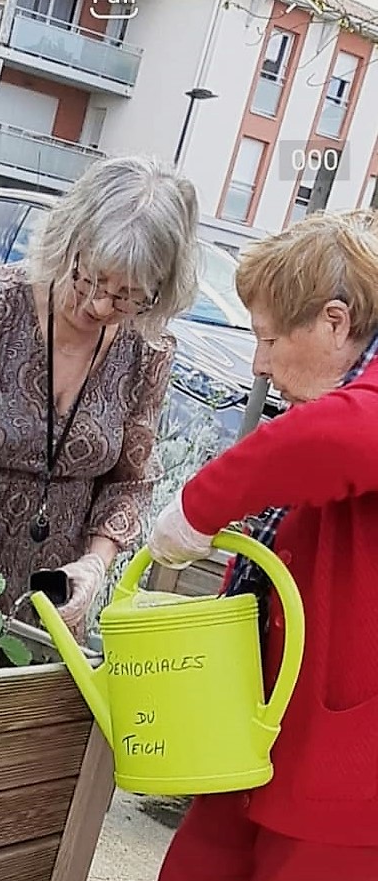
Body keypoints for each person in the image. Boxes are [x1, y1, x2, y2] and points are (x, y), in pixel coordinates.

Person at [0, 155, 199, 645]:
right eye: (90, 278)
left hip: (47, 612)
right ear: (68, 244)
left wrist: (95, 564)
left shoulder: (146, 349)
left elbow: (130, 482)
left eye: (128, 297)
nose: (99, 305)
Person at [148, 208, 378, 881]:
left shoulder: (357, 410)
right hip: (265, 732)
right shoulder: (338, 395)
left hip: (344, 775)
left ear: (333, 322)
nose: (258, 364)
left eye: (269, 339)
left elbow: (337, 439)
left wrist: (197, 506)